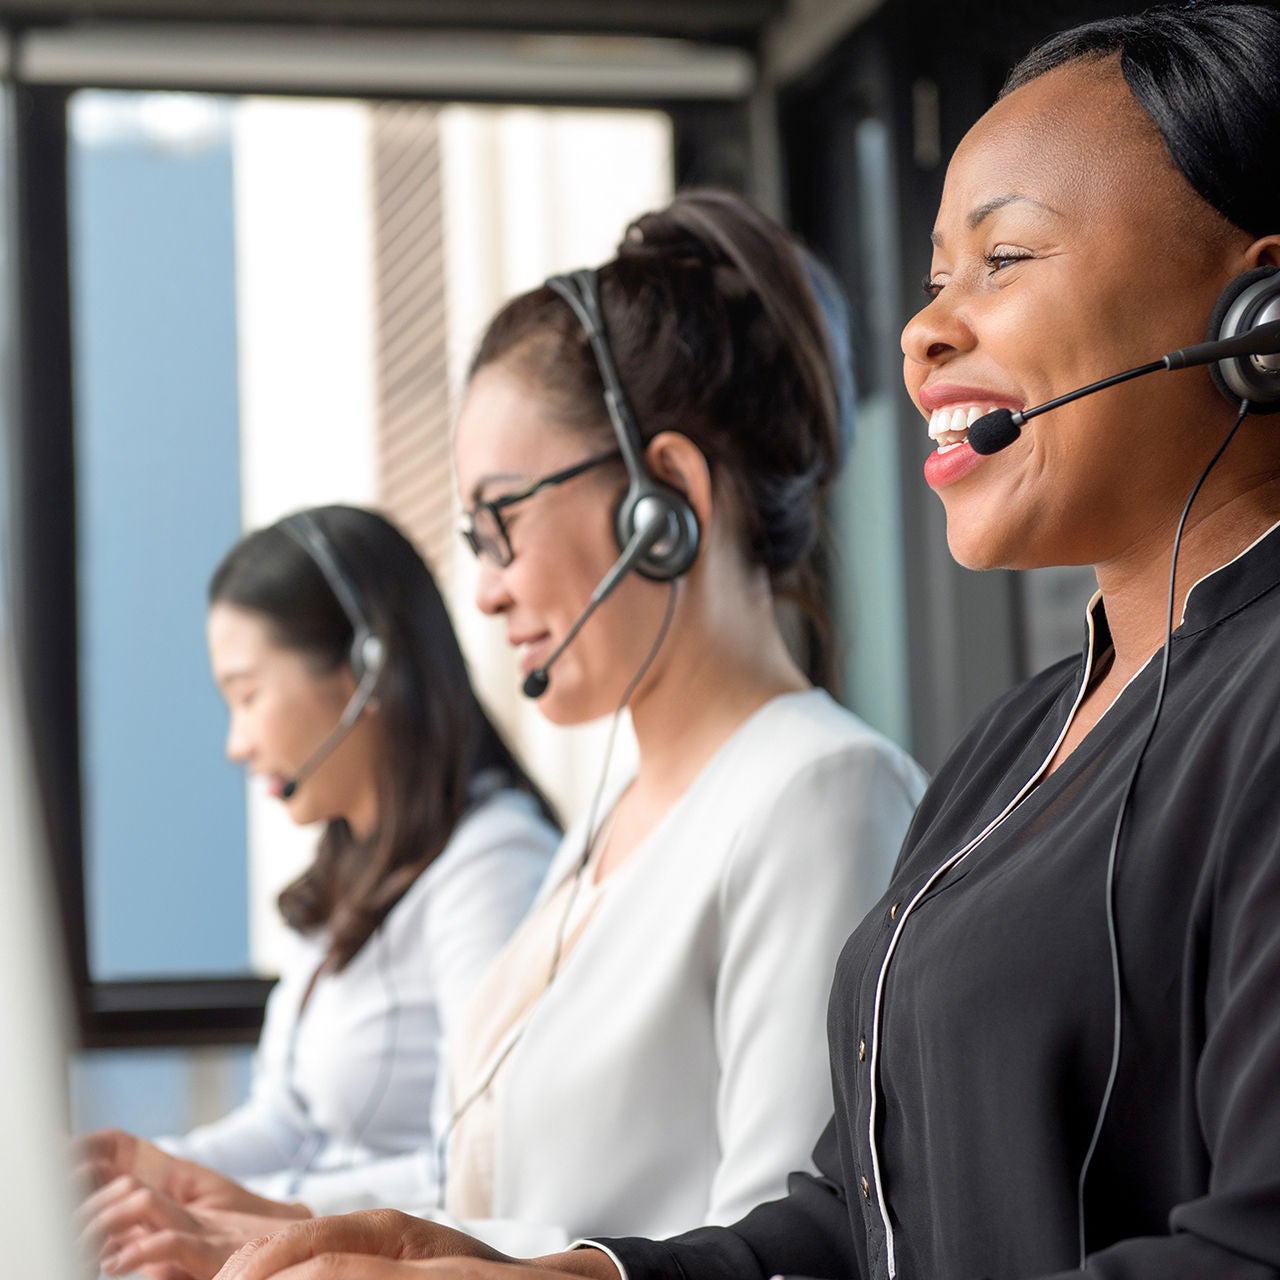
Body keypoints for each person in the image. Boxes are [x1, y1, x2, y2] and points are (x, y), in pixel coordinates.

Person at [214, 4, 1280, 1279]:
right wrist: (576, 1277)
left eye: (1003, 257)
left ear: (1253, 319)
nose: (924, 332)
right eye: (936, 277)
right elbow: (853, 1212)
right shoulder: (1011, 746)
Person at [170, 188, 925, 1276]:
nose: (482, 590)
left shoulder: (818, 793)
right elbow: (520, 1198)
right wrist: (253, 1220)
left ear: (662, 497)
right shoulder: (620, 815)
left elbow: (785, 1248)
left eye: (502, 524)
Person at [77, 505, 560, 1275]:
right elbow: (286, 1122)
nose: (237, 743)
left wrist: (250, 1216)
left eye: (247, 694)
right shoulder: (340, 880)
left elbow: (482, 1168)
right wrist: (151, 1171)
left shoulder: (493, 866)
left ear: (367, 664)